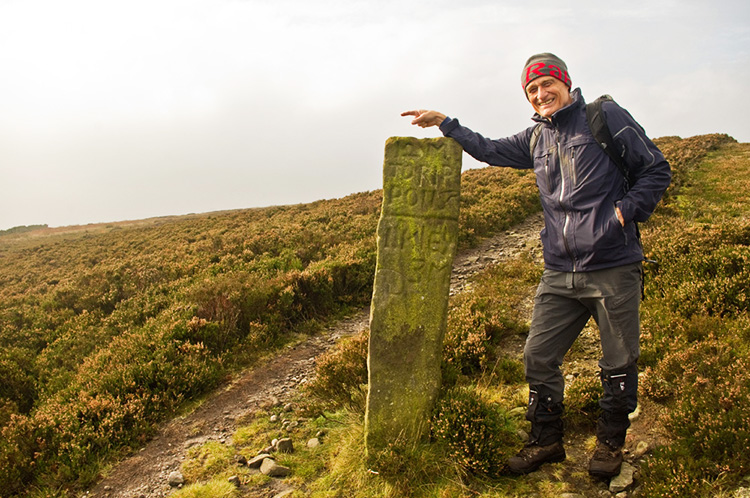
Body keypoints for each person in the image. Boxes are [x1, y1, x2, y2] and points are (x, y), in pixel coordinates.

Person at [402, 53, 671, 478]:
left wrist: (624, 213)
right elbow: (489, 149)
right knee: (538, 357)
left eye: (548, 84)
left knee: (618, 360)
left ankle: (609, 446)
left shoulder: (603, 116)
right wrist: (446, 124)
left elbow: (655, 169)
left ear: (565, 83)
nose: (542, 94)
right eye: (532, 89)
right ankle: (545, 442)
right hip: (559, 271)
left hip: (613, 266)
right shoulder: (536, 139)